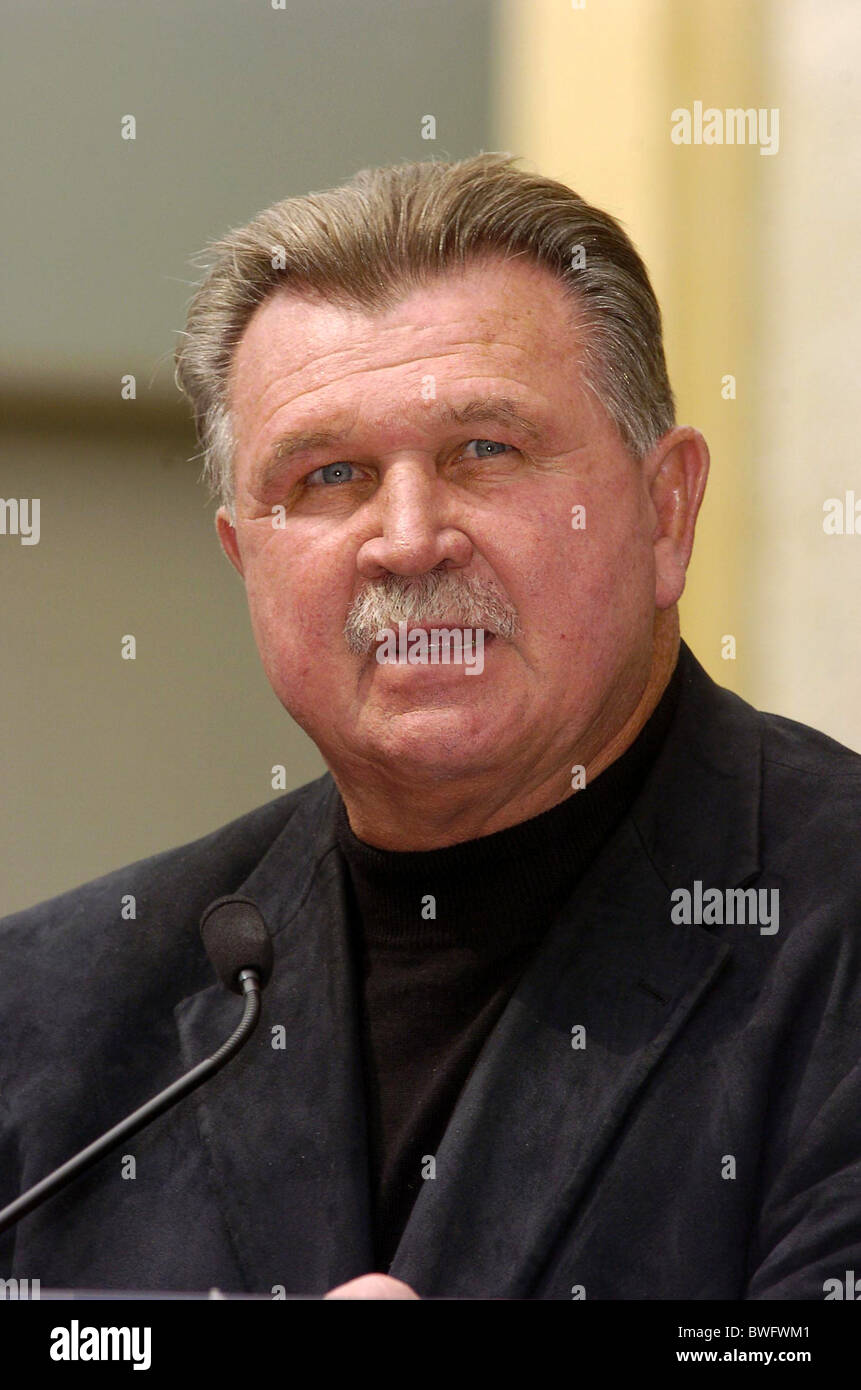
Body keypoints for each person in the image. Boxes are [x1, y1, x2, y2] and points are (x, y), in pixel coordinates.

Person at [1, 155, 859, 1300]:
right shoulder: (51, 1014)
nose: (407, 540)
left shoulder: (831, 921)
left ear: (666, 513)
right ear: (243, 559)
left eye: (485, 452)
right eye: (328, 475)